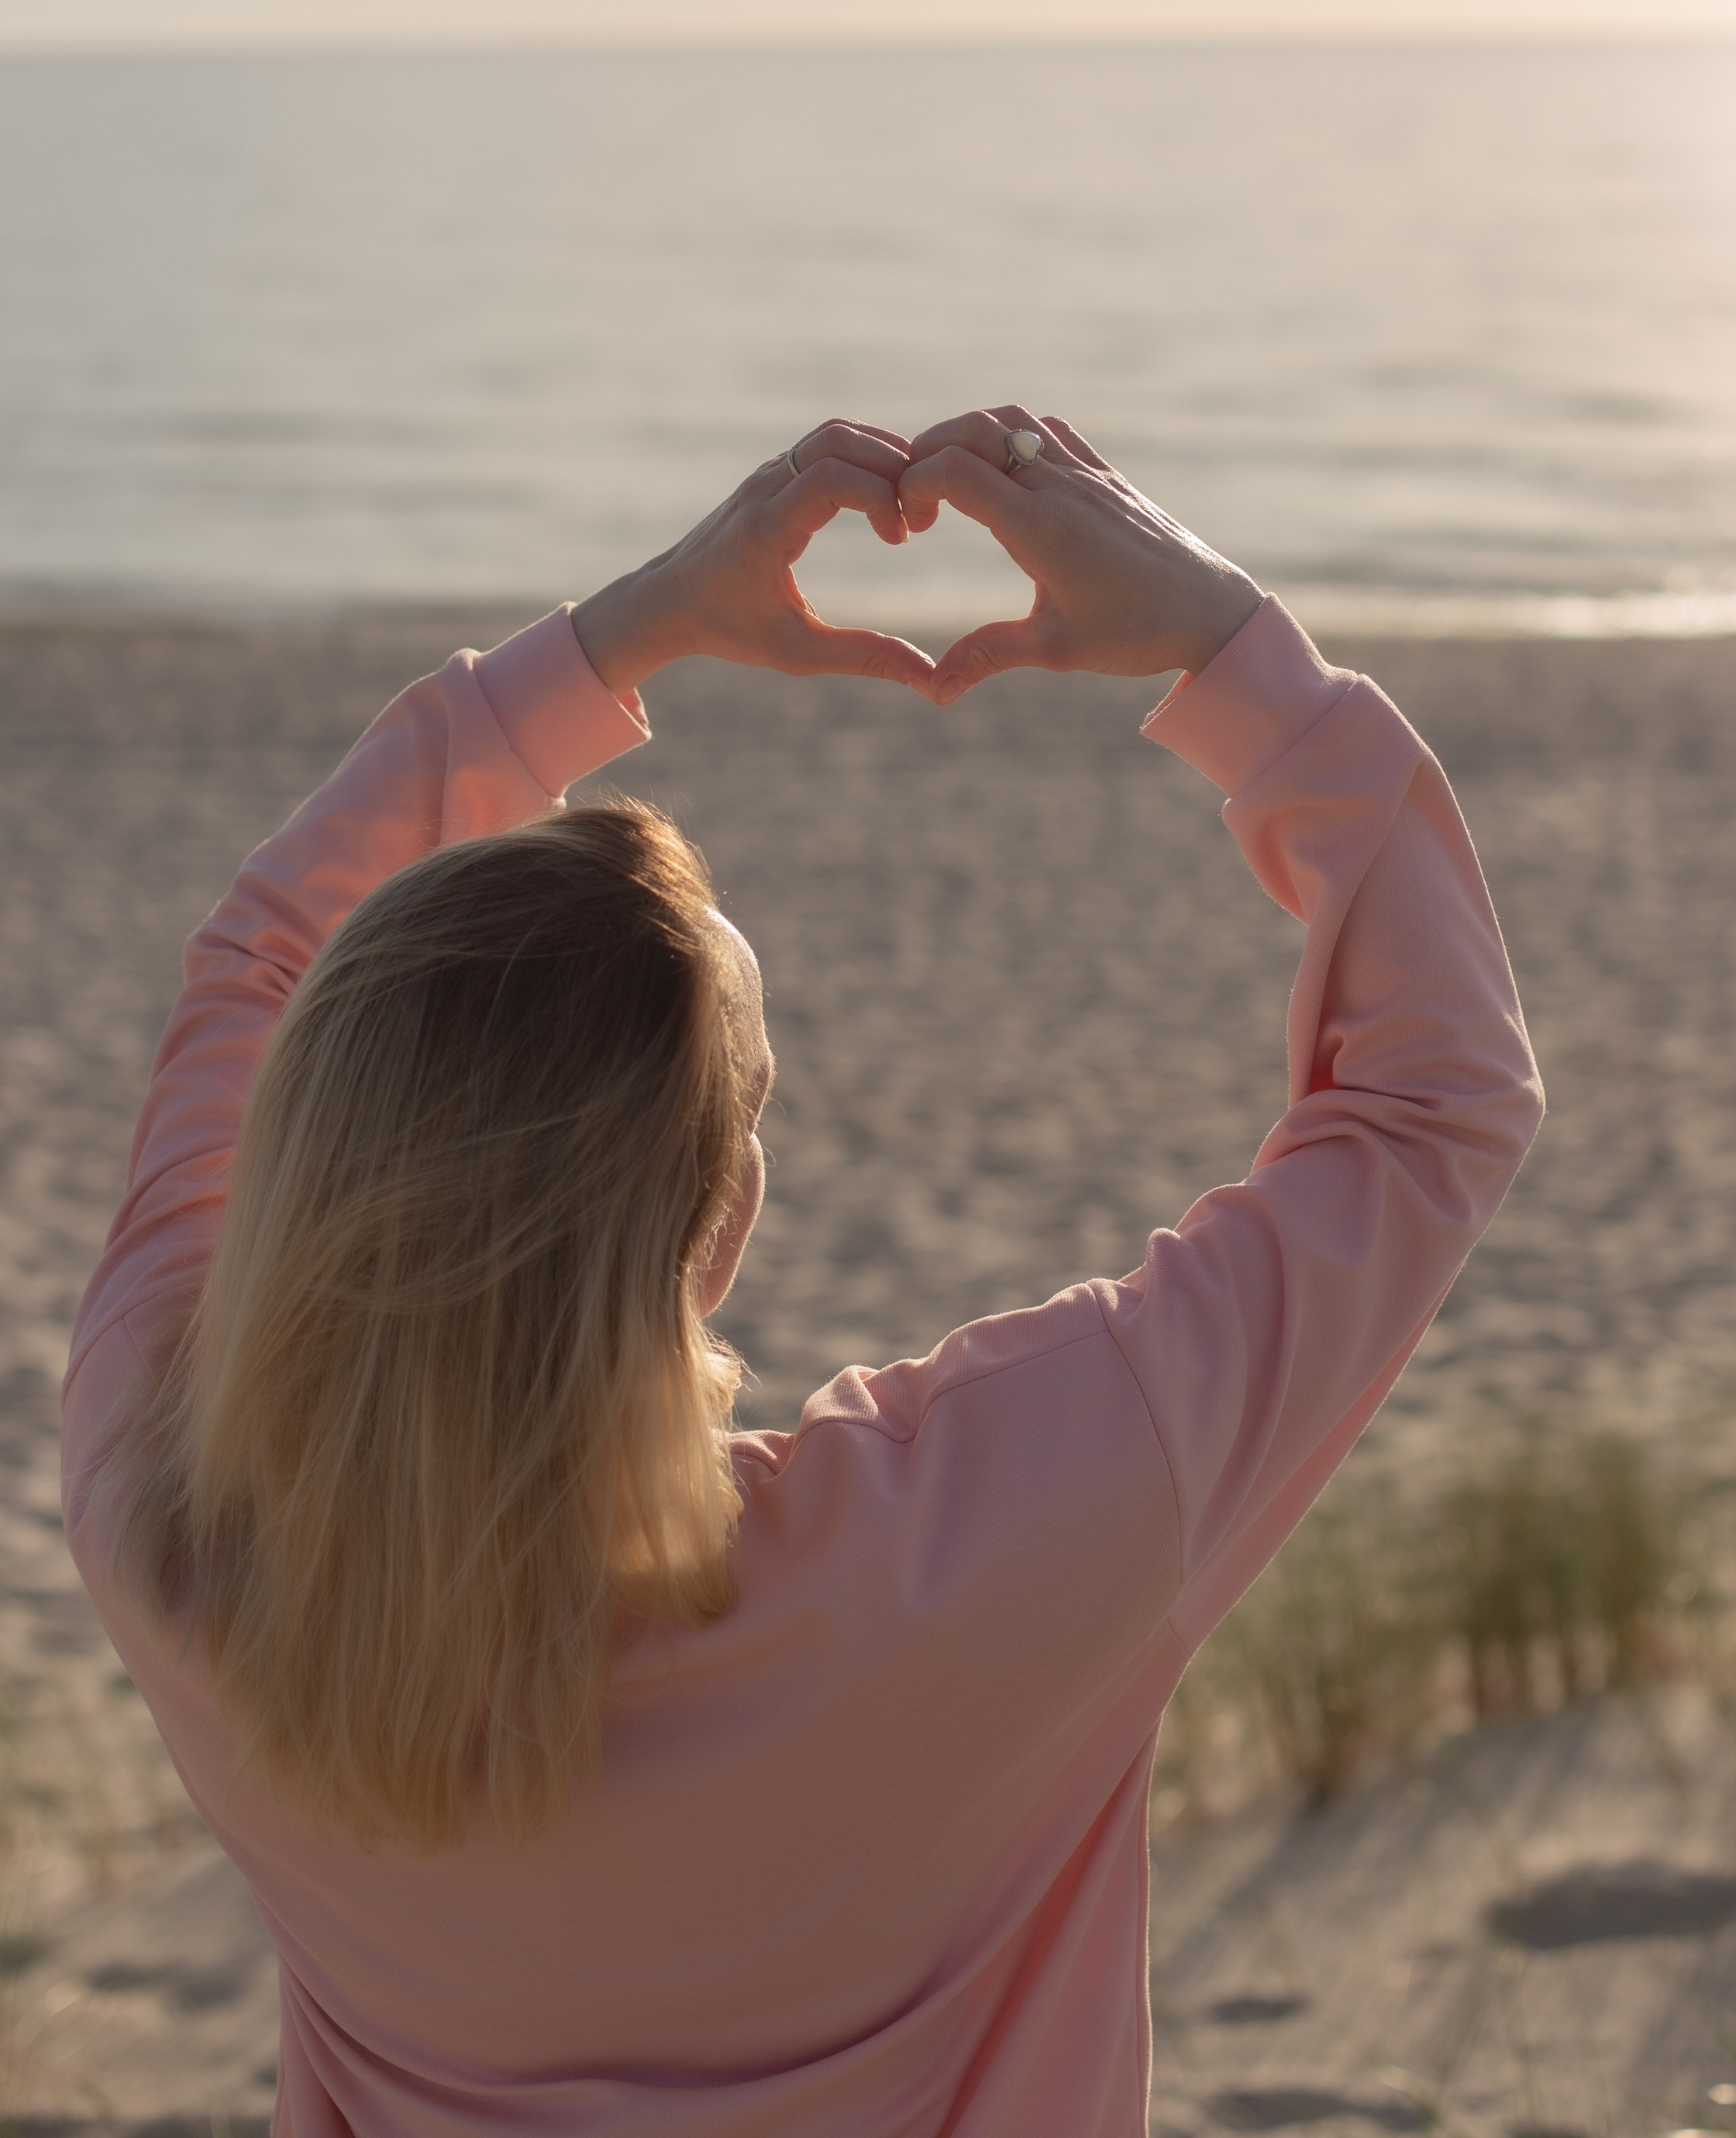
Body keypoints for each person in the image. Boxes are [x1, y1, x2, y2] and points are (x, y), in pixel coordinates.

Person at [61, 403, 1542, 2137]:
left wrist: (629, 632)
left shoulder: (167, 1523)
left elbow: (260, 952)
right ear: (718, 1220)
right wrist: (1225, 647)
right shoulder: (1006, 1526)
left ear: (320, 1150)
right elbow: (1434, 1099)